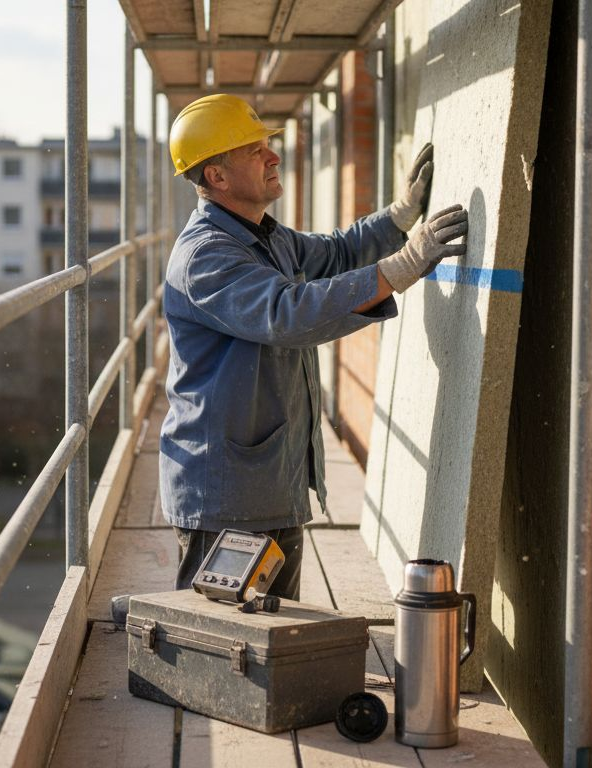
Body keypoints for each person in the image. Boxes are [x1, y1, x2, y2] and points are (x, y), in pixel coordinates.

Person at [159, 93, 468, 599]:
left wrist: (399, 216)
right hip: (224, 494)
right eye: (256, 151)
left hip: (266, 483)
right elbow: (290, 313)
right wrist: (404, 265)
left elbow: (338, 252)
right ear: (216, 176)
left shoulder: (265, 237)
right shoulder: (206, 256)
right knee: (220, 634)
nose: (273, 156)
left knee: (276, 632)